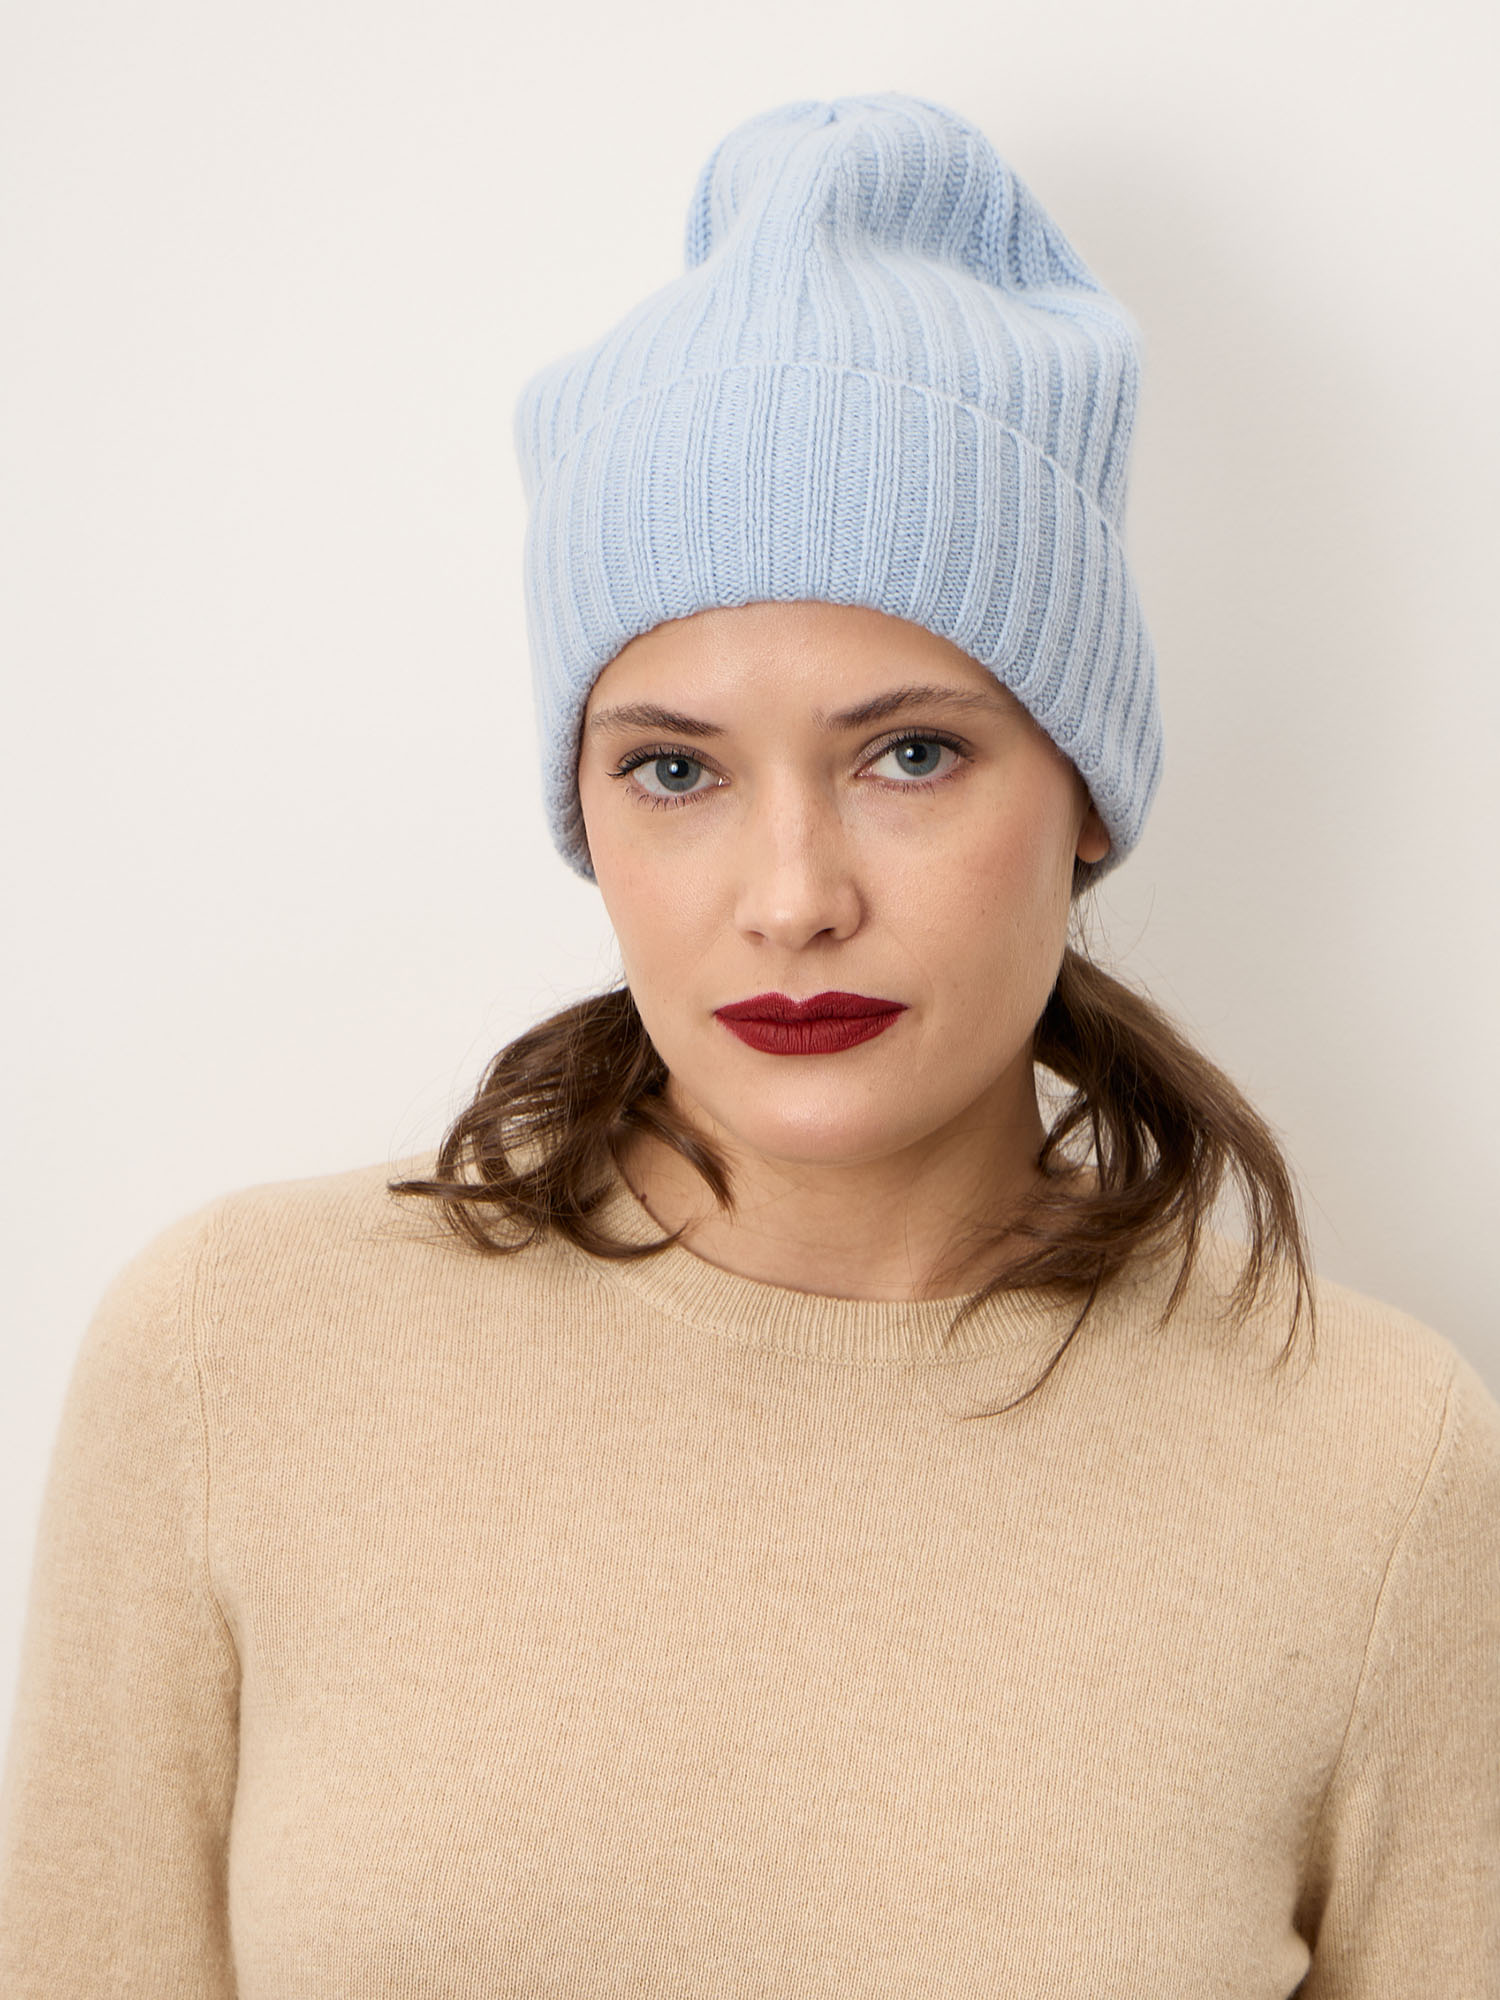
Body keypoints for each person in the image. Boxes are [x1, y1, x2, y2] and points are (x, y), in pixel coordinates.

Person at [1, 91, 1496, 1998]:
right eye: (677, 770)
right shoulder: (232, 1358)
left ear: (1086, 794)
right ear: (584, 808)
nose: (793, 897)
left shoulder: (1373, 1467)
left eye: (911, 753)